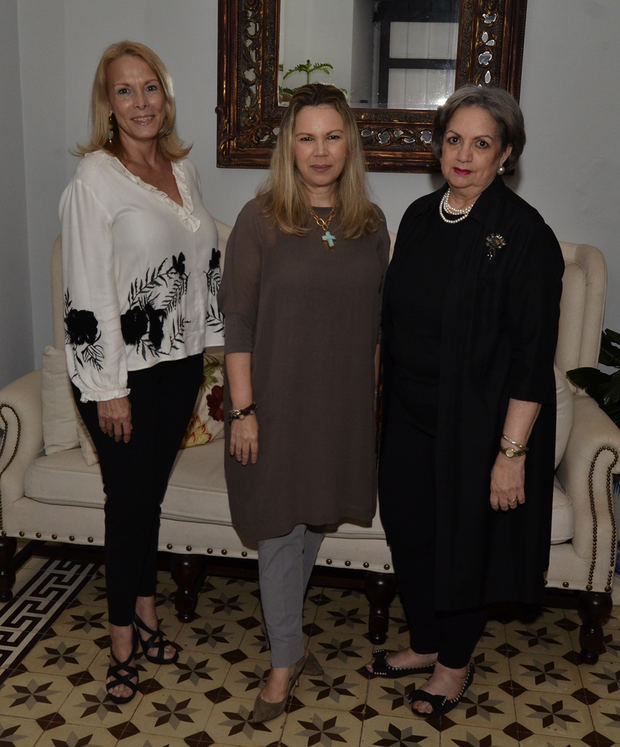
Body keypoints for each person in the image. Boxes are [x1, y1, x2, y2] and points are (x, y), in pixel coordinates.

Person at [367, 85, 564, 717]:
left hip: (479, 426)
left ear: (505, 155)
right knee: (411, 531)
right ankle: (426, 641)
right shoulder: (421, 217)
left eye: (482, 143)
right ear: (438, 146)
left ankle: (454, 664)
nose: (464, 154)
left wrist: (511, 454)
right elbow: (393, 322)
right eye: (454, 139)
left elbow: (533, 360)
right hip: (407, 414)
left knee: (463, 544)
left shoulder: (526, 236)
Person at [219, 83, 390, 724]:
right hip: (274, 407)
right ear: (289, 147)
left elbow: (376, 329)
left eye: (333, 136)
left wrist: (371, 409)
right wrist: (243, 411)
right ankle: (285, 660)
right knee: (277, 530)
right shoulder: (258, 221)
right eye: (306, 137)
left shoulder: (371, 226)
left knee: (312, 521)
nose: (320, 151)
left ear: (350, 143)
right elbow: (236, 323)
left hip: (341, 410)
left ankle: (289, 638)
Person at [60, 40, 223, 704]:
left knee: (147, 499)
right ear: (107, 105)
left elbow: (199, 268)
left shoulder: (181, 172)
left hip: (179, 367)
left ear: (167, 94)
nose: (140, 102)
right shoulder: (93, 180)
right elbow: (87, 290)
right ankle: (122, 639)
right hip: (120, 376)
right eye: (124, 91)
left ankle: (148, 611)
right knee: (127, 507)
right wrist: (107, 390)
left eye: (149, 87)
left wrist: (208, 341)